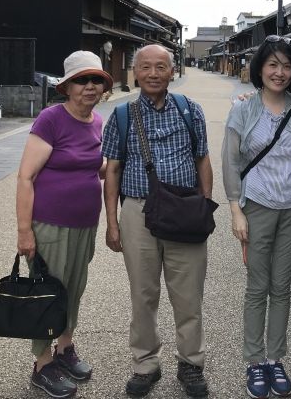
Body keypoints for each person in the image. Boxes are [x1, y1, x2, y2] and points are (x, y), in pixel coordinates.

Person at [102, 44, 214, 398]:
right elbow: (113, 171)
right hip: (137, 211)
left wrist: (204, 207)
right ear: (135, 72)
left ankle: (191, 363)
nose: (153, 73)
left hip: (183, 211)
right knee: (143, 294)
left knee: (188, 295)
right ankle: (145, 364)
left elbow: (202, 161)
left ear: (172, 70)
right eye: (146, 67)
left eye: (161, 67)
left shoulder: (189, 110)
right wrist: (113, 223)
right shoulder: (121, 115)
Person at [15, 50, 112, 399]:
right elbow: (26, 176)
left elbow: (97, 168)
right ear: (67, 86)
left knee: (73, 289)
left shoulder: (98, 122)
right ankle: (42, 365)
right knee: (47, 294)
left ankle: (64, 348)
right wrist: (24, 230)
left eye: (96, 80)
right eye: (82, 80)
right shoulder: (50, 119)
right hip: (50, 224)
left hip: (84, 224)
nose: (90, 87)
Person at [222, 35, 291, 399]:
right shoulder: (243, 108)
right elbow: (230, 161)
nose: (280, 72)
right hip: (255, 205)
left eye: (286, 66)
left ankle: (275, 358)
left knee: (282, 288)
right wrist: (235, 208)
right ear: (260, 69)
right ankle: (254, 360)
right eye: (272, 64)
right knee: (258, 287)